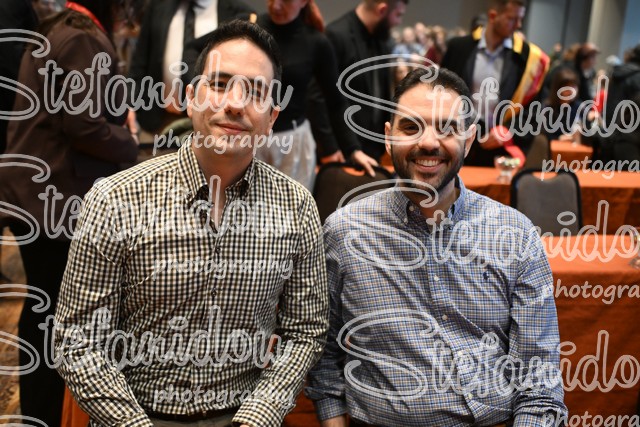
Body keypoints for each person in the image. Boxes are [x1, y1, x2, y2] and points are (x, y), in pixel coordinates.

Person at [54, 20, 328, 427]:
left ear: (272, 117)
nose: (234, 104)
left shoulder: (296, 206)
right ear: (189, 98)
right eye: (219, 84)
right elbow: (77, 339)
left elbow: (306, 331)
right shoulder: (115, 199)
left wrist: (258, 416)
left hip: (244, 414)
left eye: (255, 92)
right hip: (137, 413)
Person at [306, 67, 567, 426]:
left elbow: (538, 381)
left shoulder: (515, 235)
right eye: (411, 127)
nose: (429, 142)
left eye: (447, 128)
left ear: (469, 140)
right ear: (388, 137)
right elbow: (324, 356)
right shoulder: (345, 233)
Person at [0, 1, 139, 425]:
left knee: (42, 309)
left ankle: (42, 412)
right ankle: (46, 414)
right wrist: (129, 140)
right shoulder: (81, 37)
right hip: (54, 199)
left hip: (34, 194)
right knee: (54, 316)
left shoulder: (58, 27)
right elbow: (84, 124)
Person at [256, 0, 361, 190]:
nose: (276, 6)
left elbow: (335, 101)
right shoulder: (250, 30)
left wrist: (352, 149)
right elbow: (199, 47)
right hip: (251, 137)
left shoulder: (316, 42)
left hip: (294, 145)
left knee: (292, 207)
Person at [441, 0, 549, 166]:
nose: (518, 25)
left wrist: (509, 130)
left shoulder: (527, 57)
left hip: (499, 146)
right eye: (512, 19)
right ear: (493, 16)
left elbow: (534, 107)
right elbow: (442, 92)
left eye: (521, 19)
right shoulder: (459, 47)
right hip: (458, 140)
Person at [307, 0, 409, 174]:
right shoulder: (336, 35)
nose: (398, 21)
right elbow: (316, 97)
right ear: (382, 10)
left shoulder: (382, 40)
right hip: (341, 153)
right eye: (398, 15)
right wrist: (330, 149)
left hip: (372, 151)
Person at [128, 0, 254, 138]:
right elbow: (139, 62)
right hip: (156, 119)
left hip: (208, 125)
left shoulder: (240, 13)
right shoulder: (159, 5)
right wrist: (130, 105)